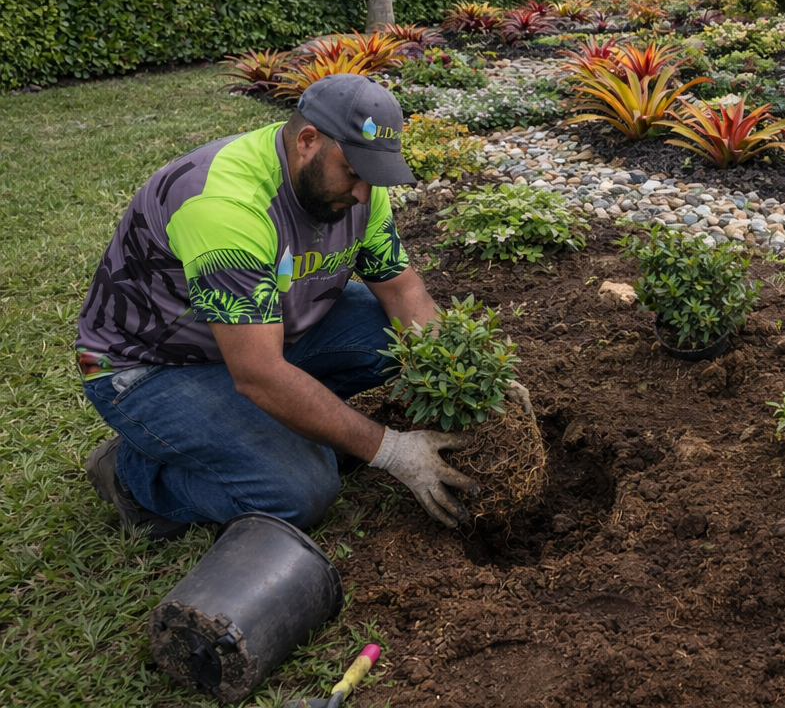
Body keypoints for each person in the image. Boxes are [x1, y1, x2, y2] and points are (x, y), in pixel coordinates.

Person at [77, 73, 515, 539]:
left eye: (373, 175)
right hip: (155, 366)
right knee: (299, 491)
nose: (364, 193)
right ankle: (131, 473)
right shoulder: (225, 205)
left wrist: (462, 369)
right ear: (308, 140)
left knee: (391, 337)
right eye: (354, 172)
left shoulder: (359, 188)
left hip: (267, 329)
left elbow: (402, 292)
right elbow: (259, 372)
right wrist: (389, 450)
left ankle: (269, 428)